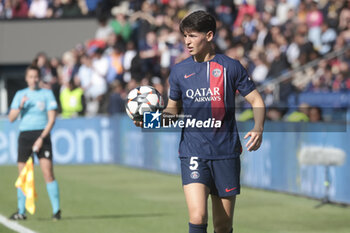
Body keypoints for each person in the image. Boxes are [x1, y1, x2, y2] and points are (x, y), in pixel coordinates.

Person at [135, 11, 265, 233]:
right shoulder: (179, 71)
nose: (187, 41)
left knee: (223, 225)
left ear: (209, 35)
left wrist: (258, 128)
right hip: (193, 151)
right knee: (198, 215)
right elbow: (172, 113)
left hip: (226, 152)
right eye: (185, 36)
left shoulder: (230, 67)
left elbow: (256, 99)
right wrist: (150, 120)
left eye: (193, 36)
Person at [8, 65, 61, 221]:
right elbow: (11, 118)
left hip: (42, 135)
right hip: (25, 136)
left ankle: (56, 211)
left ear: (39, 78)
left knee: (47, 173)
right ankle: (21, 211)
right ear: (26, 78)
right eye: (30, 77)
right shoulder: (20, 95)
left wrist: (41, 137)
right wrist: (20, 105)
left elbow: (52, 119)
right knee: (23, 175)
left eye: (36, 76)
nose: (33, 79)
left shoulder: (46, 94)